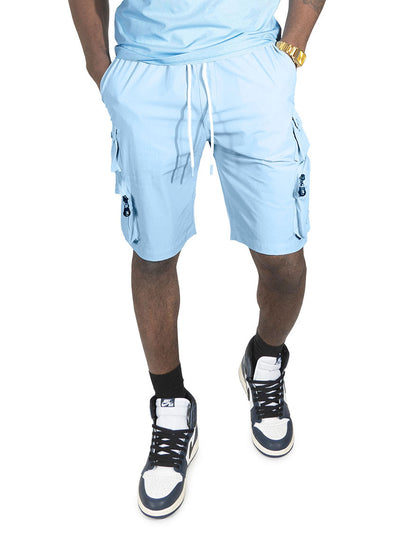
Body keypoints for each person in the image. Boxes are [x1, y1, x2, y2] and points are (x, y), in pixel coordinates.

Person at [68, 0, 326, 519]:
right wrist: (100, 67)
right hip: (150, 69)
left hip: (250, 63)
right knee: (154, 254)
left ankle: (265, 358)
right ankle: (171, 406)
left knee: (284, 259)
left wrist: (293, 47)